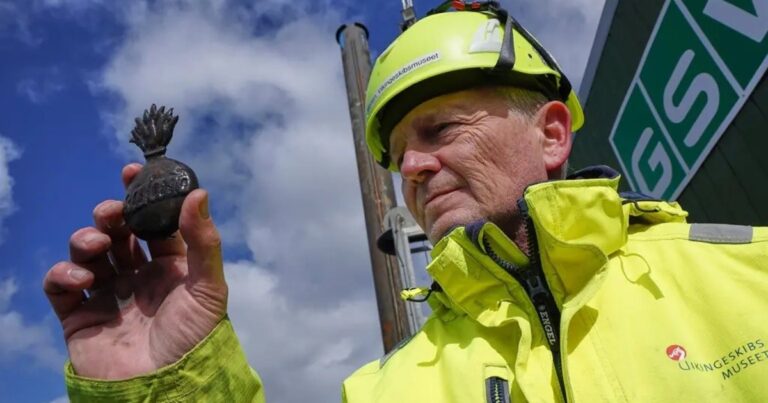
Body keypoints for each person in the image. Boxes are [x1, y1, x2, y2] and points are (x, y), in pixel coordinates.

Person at [44, 2, 768, 402]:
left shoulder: (749, 276)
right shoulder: (388, 388)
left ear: (551, 134)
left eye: (442, 128)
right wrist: (169, 389)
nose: (412, 167)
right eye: (395, 155)